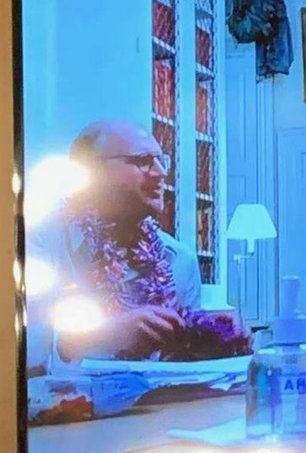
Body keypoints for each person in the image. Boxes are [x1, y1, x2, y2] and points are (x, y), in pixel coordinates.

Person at [26, 120, 202, 371]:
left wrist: (221, 339)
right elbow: (20, 355)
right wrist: (102, 337)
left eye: (161, 159)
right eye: (142, 160)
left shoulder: (179, 260)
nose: (161, 172)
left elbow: (190, 371)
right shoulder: (37, 244)